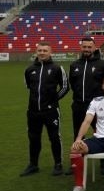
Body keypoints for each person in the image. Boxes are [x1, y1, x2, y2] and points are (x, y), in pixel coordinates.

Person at [21, 41, 69, 177]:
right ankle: (33, 164)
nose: (42, 53)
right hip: (33, 111)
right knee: (33, 138)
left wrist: (53, 101)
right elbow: (28, 86)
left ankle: (58, 164)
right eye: (40, 50)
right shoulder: (29, 69)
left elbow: (65, 87)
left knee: (54, 137)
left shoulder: (57, 68)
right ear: (36, 52)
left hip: (51, 111)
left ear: (50, 52)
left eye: (45, 50)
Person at [69, 37, 104, 140]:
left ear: (94, 48)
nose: (86, 49)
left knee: (102, 133)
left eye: (89, 47)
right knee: (78, 134)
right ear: (81, 47)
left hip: (97, 105)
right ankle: (80, 155)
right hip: (78, 106)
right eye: (84, 47)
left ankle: (103, 156)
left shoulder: (102, 64)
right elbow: (73, 83)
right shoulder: (74, 65)